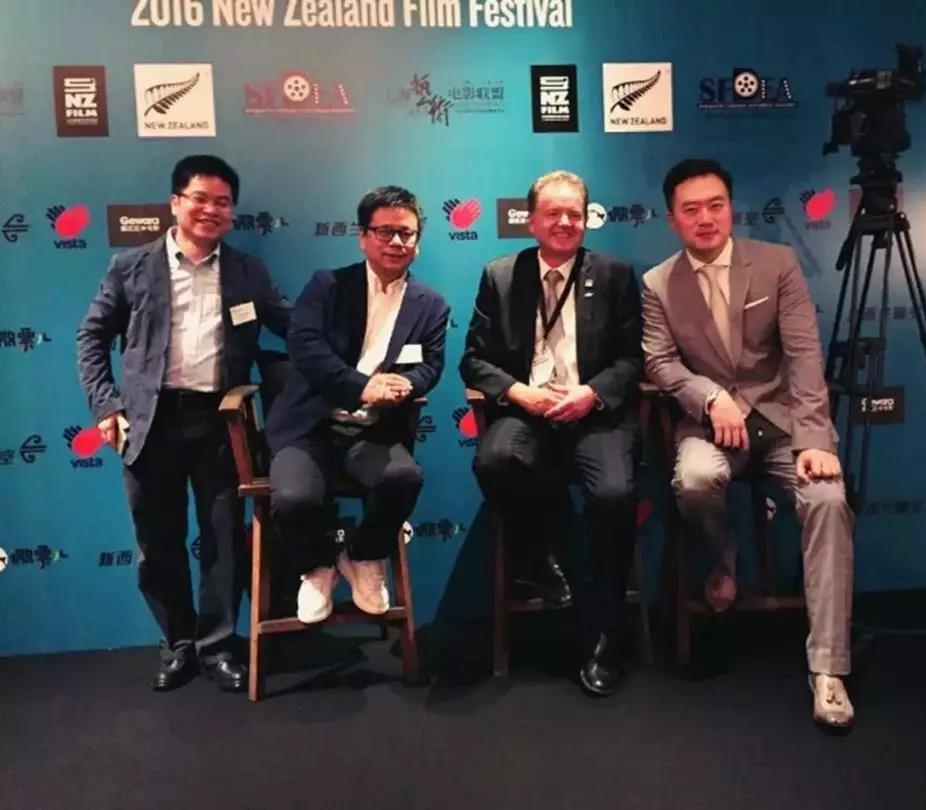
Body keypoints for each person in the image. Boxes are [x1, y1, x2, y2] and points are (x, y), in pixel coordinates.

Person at [641, 158, 855, 728]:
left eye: (716, 205)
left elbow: (804, 354)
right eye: (691, 209)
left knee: (829, 500)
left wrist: (815, 438)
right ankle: (724, 553)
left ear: (731, 208)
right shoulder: (658, 283)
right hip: (710, 426)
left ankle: (829, 669)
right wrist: (710, 396)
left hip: (784, 425)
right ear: (672, 219)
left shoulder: (777, 263)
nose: (705, 218)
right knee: (694, 480)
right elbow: (659, 362)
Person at [76, 155, 291, 692]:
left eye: (223, 202)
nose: (211, 210)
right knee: (157, 541)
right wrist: (106, 406)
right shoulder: (130, 266)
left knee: (223, 539)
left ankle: (218, 646)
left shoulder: (248, 271)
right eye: (200, 198)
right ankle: (177, 643)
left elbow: (292, 327)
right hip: (149, 424)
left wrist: (348, 361)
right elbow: (91, 337)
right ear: (175, 203)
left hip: (221, 423)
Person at [460, 170, 643, 697]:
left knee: (615, 495)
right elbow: (473, 360)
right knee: (496, 460)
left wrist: (591, 393)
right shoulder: (501, 275)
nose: (565, 222)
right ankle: (542, 556)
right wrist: (518, 392)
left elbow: (633, 359)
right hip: (529, 410)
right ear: (532, 221)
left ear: (586, 220)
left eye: (574, 214)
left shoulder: (614, 274)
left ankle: (605, 635)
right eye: (553, 213)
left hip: (593, 413)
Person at [266, 186, 449, 625]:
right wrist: (362, 387)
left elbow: (431, 365)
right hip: (310, 426)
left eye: (406, 233)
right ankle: (317, 567)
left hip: (374, 431)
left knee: (403, 479)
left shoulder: (431, 305)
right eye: (384, 232)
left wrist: (405, 385)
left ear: (418, 240)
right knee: (293, 499)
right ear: (363, 237)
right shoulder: (327, 286)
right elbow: (304, 346)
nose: (396, 242)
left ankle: (364, 556)